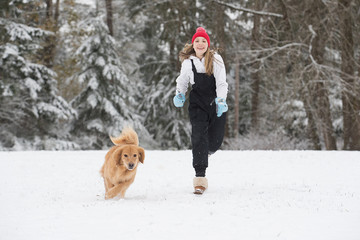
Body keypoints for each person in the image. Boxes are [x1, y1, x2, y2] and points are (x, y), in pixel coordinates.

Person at [173, 27, 228, 195]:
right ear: (193, 44)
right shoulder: (188, 62)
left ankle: (207, 152)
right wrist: (180, 94)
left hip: (216, 102)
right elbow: (182, 81)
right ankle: (200, 179)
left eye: (204, 41)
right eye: (197, 40)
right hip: (197, 104)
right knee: (198, 137)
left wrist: (221, 100)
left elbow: (221, 82)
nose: (200, 43)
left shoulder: (216, 59)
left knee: (215, 141)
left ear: (208, 44)